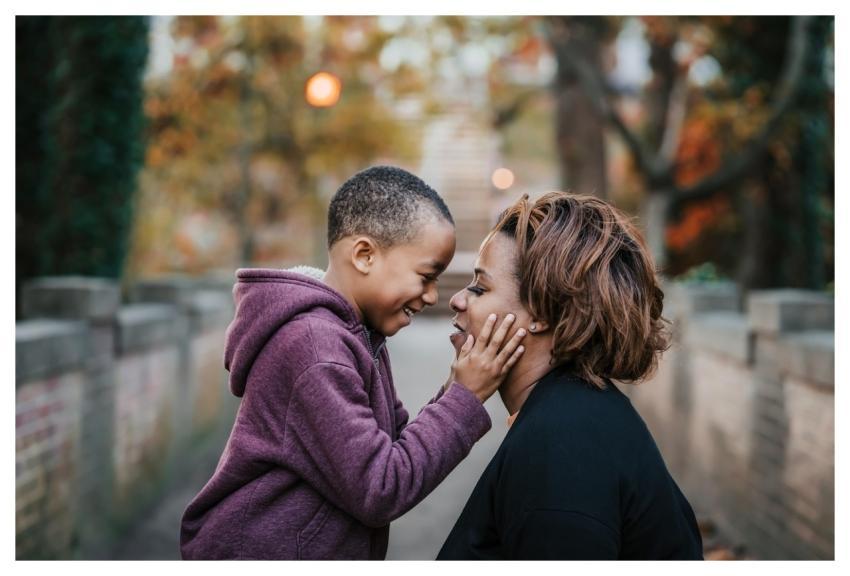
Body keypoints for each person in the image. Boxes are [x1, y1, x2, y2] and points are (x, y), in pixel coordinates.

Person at [180, 166, 525, 560]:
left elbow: (395, 446)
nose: (432, 296)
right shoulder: (315, 350)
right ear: (364, 255)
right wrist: (466, 396)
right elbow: (380, 486)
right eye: (426, 276)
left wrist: (453, 389)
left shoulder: (357, 337)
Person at [437, 191, 704, 560]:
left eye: (481, 288)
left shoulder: (562, 445)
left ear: (542, 313)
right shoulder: (571, 416)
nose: (458, 300)